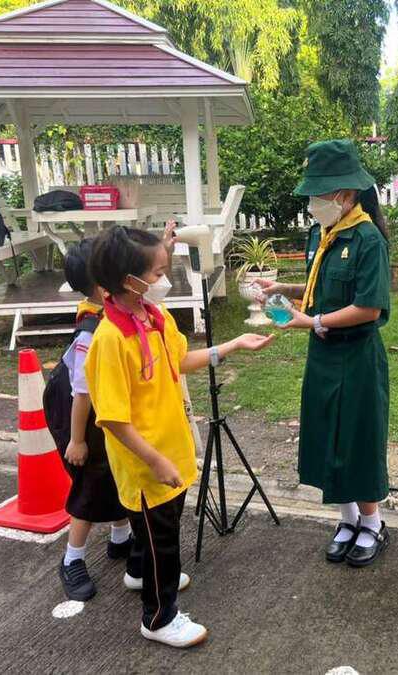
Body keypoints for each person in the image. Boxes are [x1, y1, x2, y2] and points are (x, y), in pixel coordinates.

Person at [85, 226, 274, 648]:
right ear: (128, 281)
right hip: (146, 463)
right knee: (163, 542)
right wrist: (155, 461)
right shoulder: (110, 340)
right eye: (156, 273)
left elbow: (180, 360)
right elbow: (113, 419)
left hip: (171, 449)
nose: (163, 280)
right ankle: (159, 617)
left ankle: (139, 572)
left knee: (155, 533)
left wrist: (233, 345)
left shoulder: (155, 317)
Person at [257, 139, 392, 567]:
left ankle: (372, 523)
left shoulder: (368, 239)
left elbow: (368, 307)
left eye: (319, 194)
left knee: (356, 439)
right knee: (327, 436)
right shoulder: (321, 233)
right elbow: (321, 287)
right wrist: (285, 289)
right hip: (324, 356)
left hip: (357, 356)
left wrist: (311, 321)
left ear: (345, 193)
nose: (313, 202)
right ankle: (347, 519)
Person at [46, 238, 133, 602]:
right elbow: (80, 393)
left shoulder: (109, 310)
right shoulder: (90, 332)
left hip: (103, 407)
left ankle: (121, 538)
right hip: (76, 411)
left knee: (116, 471)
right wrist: (77, 440)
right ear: (102, 284)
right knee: (91, 483)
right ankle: (72, 559)